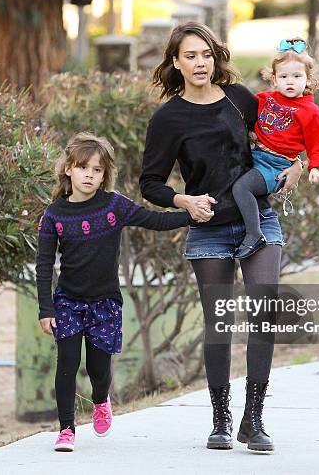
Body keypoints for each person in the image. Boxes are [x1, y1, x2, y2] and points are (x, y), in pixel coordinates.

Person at [139, 22, 304, 452]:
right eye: (190, 55)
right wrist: (184, 201)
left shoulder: (241, 100)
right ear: (175, 62)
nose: (200, 63)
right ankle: (220, 419)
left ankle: (254, 418)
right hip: (208, 231)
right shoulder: (168, 118)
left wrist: (299, 166)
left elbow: (287, 136)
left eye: (206, 54)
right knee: (219, 326)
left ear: (216, 58)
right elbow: (150, 182)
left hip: (258, 220)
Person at [36, 132, 203, 452]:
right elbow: (44, 265)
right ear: (68, 169)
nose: (89, 174)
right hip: (68, 302)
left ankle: (101, 400)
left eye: (97, 170)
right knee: (67, 364)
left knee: (99, 370)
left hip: (105, 303)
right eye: (83, 167)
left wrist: (191, 213)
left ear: (104, 175)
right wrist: (47, 309)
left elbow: (154, 220)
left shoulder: (114, 206)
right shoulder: (54, 215)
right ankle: (66, 429)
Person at [231, 37, 319, 259]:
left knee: (241, 188)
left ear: (308, 79)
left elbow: (318, 143)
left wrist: (315, 168)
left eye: (297, 76)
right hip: (256, 154)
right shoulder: (264, 99)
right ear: (274, 79)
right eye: (284, 77)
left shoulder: (310, 112)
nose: (290, 81)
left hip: (277, 165)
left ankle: (254, 235)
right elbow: (245, 117)